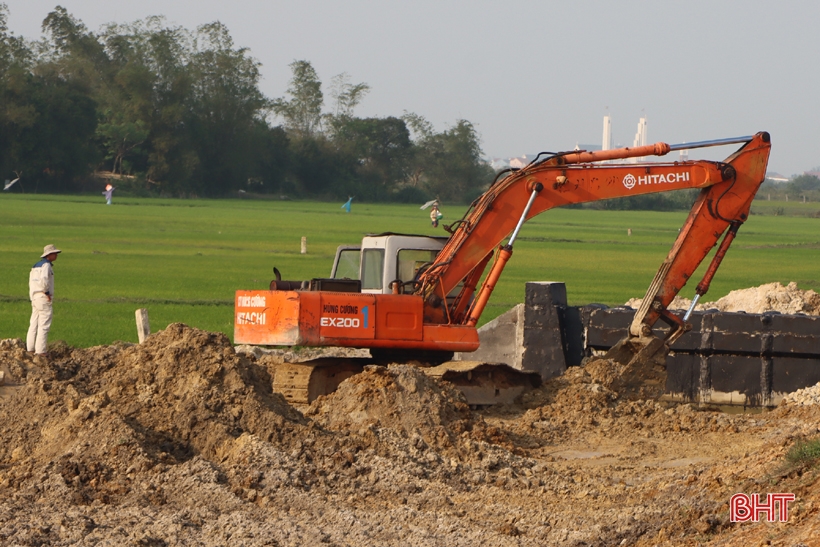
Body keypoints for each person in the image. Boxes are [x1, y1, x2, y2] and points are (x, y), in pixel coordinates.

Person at [27, 244, 61, 356]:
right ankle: (40, 351)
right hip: (43, 296)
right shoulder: (46, 265)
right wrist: (47, 293)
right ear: (49, 255)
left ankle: (30, 348)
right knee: (44, 324)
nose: (56, 255)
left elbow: (32, 282)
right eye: (54, 253)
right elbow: (44, 280)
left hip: (35, 296)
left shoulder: (35, 265)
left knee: (34, 323)